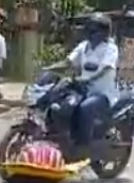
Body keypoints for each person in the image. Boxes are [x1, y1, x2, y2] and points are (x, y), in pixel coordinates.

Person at [49, 13, 119, 159]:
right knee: (61, 102)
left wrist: (88, 79)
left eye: (93, 31)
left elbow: (106, 68)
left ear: (103, 33)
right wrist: (49, 69)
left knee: (85, 108)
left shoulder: (110, 49)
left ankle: (83, 146)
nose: (90, 34)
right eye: (89, 30)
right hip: (83, 89)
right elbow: (68, 62)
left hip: (103, 93)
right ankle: (65, 137)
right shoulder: (84, 46)